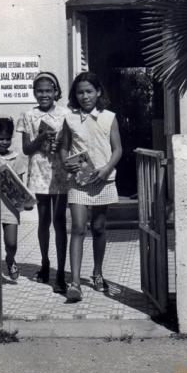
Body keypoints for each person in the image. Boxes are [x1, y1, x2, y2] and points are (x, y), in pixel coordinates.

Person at [59, 71, 122, 302]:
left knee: (98, 227)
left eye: (89, 91)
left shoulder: (109, 117)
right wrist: (67, 163)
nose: (84, 96)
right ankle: (75, 284)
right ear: (75, 95)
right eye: (80, 92)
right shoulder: (70, 118)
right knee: (77, 227)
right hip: (79, 182)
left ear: (98, 93)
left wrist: (106, 169)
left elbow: (118, 149)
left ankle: (97, 272)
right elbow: (64, 148)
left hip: (102, 179)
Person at [16, 72, 69, 293]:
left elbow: (70, 143)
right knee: (43, 221)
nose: (44, 95)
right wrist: (41, 138)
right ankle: (45, 262)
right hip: (39, 173)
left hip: (60, 173)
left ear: (56, 92)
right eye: (40, 91)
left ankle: (61, 272)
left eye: (48, 90)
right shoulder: (28, 115)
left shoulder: (66, 114)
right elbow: (27, 149)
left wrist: (58, 144)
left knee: (59, 222)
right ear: (34, 93)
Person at [0, 117, 27, 281]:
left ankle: (10, 259)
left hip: (10, 206)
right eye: (0, 139)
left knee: (11, 242)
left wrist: (26, 200)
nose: (4, 142)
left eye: (7, 139)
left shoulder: (16, 157)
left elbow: (20, 184)